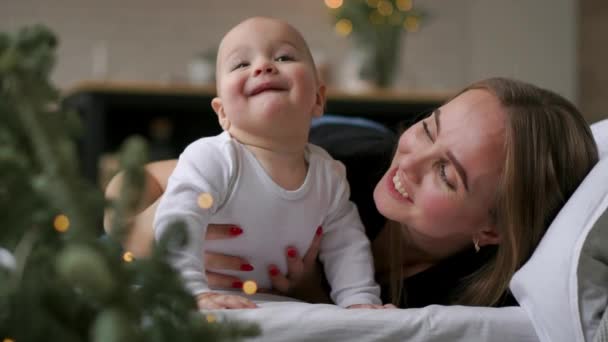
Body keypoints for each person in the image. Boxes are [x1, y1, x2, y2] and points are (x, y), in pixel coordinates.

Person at [105, 77, 599, 309]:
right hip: (349, 132)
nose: (408, 165)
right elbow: (132, 185)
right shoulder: (339, 165)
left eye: (447, 175)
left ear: (491, 229)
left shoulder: (475, 299)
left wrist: (309, 293)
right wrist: (163, 231)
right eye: (429, 129)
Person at [151, 17, 383, 311]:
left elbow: (347, 245)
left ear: (318, 98)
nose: (263, 66)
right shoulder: (213, 158)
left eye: (284, 57)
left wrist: (359, 301)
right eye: (241, 64)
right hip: (199, 292)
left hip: (267, 303)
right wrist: (192, 291)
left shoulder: (329, 176)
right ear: (222, 113)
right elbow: (178, 221)